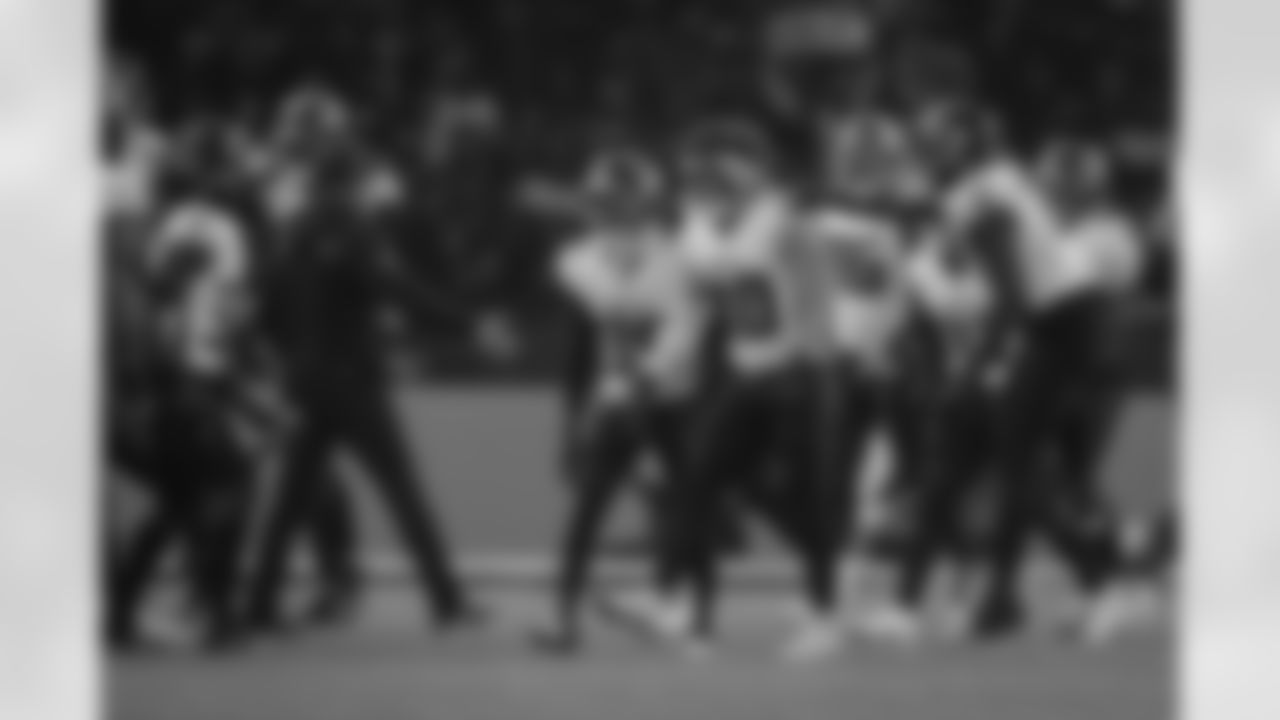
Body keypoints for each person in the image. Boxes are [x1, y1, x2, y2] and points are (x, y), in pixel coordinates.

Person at [243, 120, 515, 635]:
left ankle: (259, 603)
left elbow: (270, 303)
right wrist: (467, 321)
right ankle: (446, 601)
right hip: (353, 381)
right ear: (354, 179)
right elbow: (394, 286)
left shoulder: (294, 230)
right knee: (403, 490)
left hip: (306, 381)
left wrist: (288, 361)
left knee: (290, 499)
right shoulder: (354, 224)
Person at [914, 101, 1138, 641]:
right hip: (1053, 334)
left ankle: (1103, 579)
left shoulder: (982, 196)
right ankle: (1007, 597)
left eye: (940, 139)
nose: (931, 149)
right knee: (1015, 467)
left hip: (1068, 345)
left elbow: (1014, 290)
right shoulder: (1009, 187)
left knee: (1032, 470)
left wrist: (985, 355)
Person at [628, 120, 846, 662]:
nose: (706, 181)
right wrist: (653, 369)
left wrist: (811, 366)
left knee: (807, 497)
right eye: (701, 171)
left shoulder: (785, 224)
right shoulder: (698, 228)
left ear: (752, 171)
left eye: (719, 169)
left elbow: (818, 302)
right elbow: (691, 312)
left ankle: (824, 614)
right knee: (697, 476)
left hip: (798, 373)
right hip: (747, 374)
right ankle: (668, 599)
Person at [532, 151, 704, 654]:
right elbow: (579, 351)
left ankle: (682, 608)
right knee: (589, 508)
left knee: (687, 505)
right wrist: (575, 420)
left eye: (628, 202)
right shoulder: (579, 262)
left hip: (671, 398)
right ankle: (564, 616)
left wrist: (646, 381)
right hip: (618, 400)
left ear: (649, 204)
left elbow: (687, 332)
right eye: (610, 203)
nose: (619, 212)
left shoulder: (679, 257)